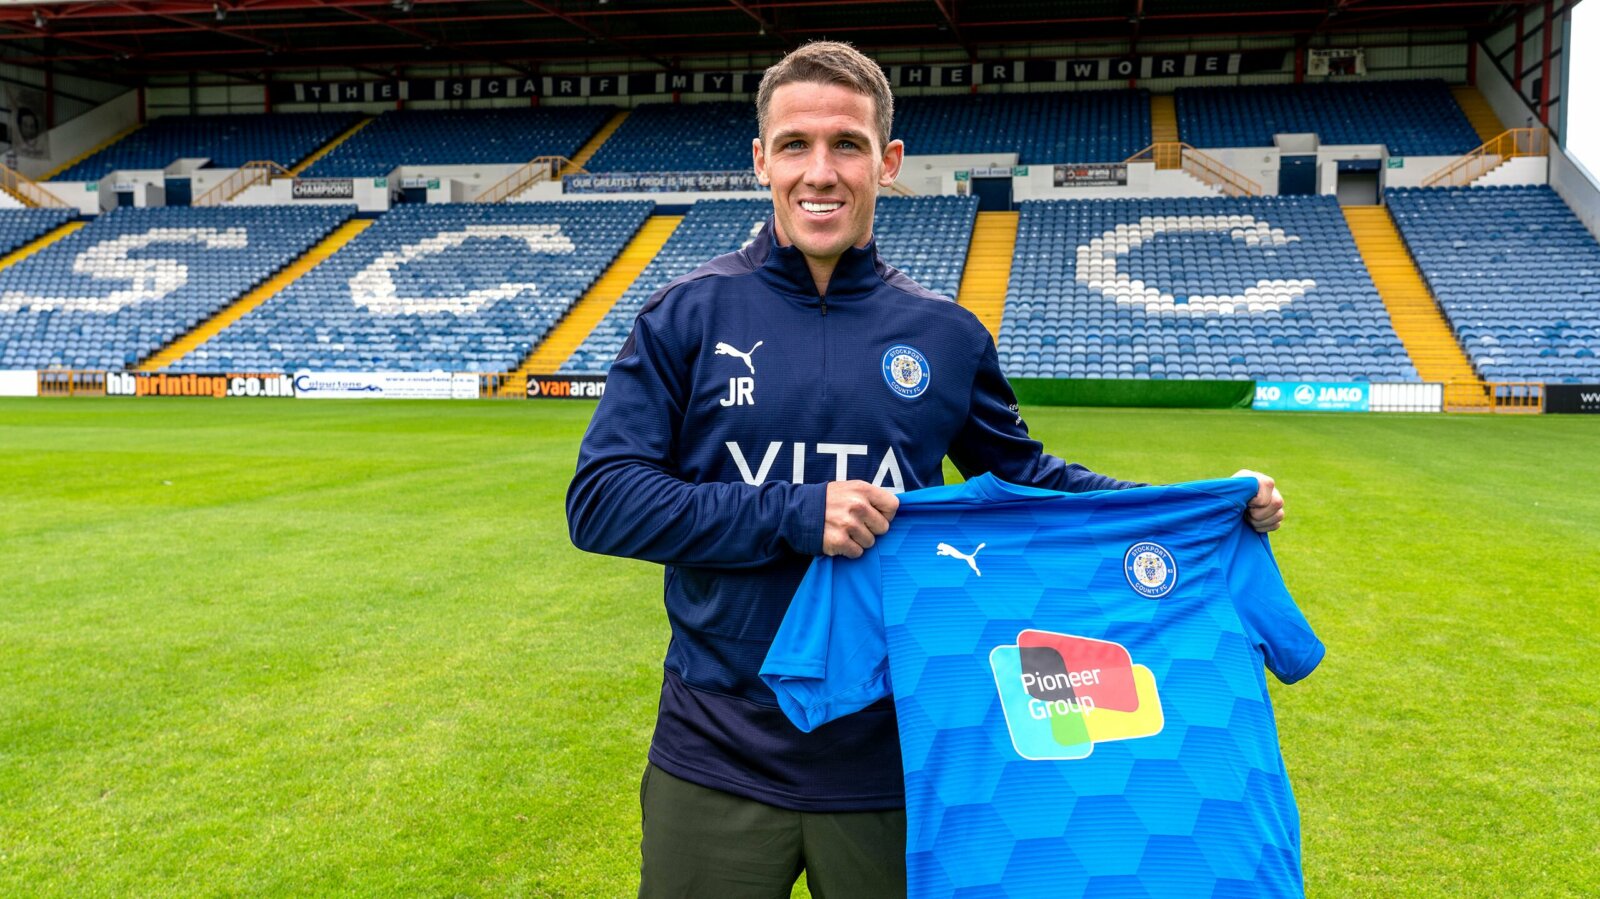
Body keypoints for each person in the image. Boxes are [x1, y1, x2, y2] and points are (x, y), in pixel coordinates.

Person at [566, 40, 1286, 898]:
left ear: (889, 161)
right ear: (761, 160)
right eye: (795, 145)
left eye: (848, 144)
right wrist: (795, 513)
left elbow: (1031, 484)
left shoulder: (944, 334)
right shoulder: (685, 315)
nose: (820, 172)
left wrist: (1200, 507)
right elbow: (601, 499)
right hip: (716, 748)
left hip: (898, 756)